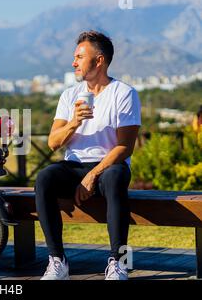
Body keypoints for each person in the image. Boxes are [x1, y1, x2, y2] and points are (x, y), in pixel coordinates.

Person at [35, 30, 141, 280]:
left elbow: (125, 146)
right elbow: (52, 142)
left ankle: (118, 263)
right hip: (74, 167)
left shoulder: (123, 93)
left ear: (99, 61)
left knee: (115, 177)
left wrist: (93, 175)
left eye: (79, 57)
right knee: (45, 178)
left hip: (109, 166)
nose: (74, 62)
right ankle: (57, 261)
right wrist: (74, 122)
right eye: (75, 57)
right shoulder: (69, 95)